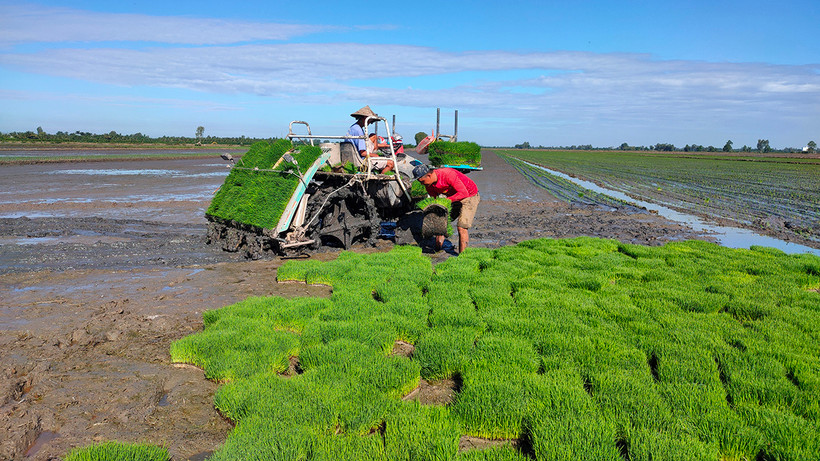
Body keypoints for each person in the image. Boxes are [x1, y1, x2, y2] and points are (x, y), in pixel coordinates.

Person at [413, 164, 480, 254]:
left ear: (429, 175)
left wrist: (445, 200)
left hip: (469, 196)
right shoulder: (429, 184)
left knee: (462, 227)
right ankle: (437, 248)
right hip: (453, 197)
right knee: (440, 221)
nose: (422, 184)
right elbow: (435, 199)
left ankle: (462, 257)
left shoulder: (448, 175)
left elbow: (463, 193)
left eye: (422, 181)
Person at [346, 106, 393, 173]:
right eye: (370, 120)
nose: (370, 123)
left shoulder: (353, 127)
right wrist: (375, 156)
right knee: (390, 163)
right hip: (361, 159)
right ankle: (379, 181)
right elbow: (363, 153)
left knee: (373, 135)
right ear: (365, 118)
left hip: (355, 156)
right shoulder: (359, 131)